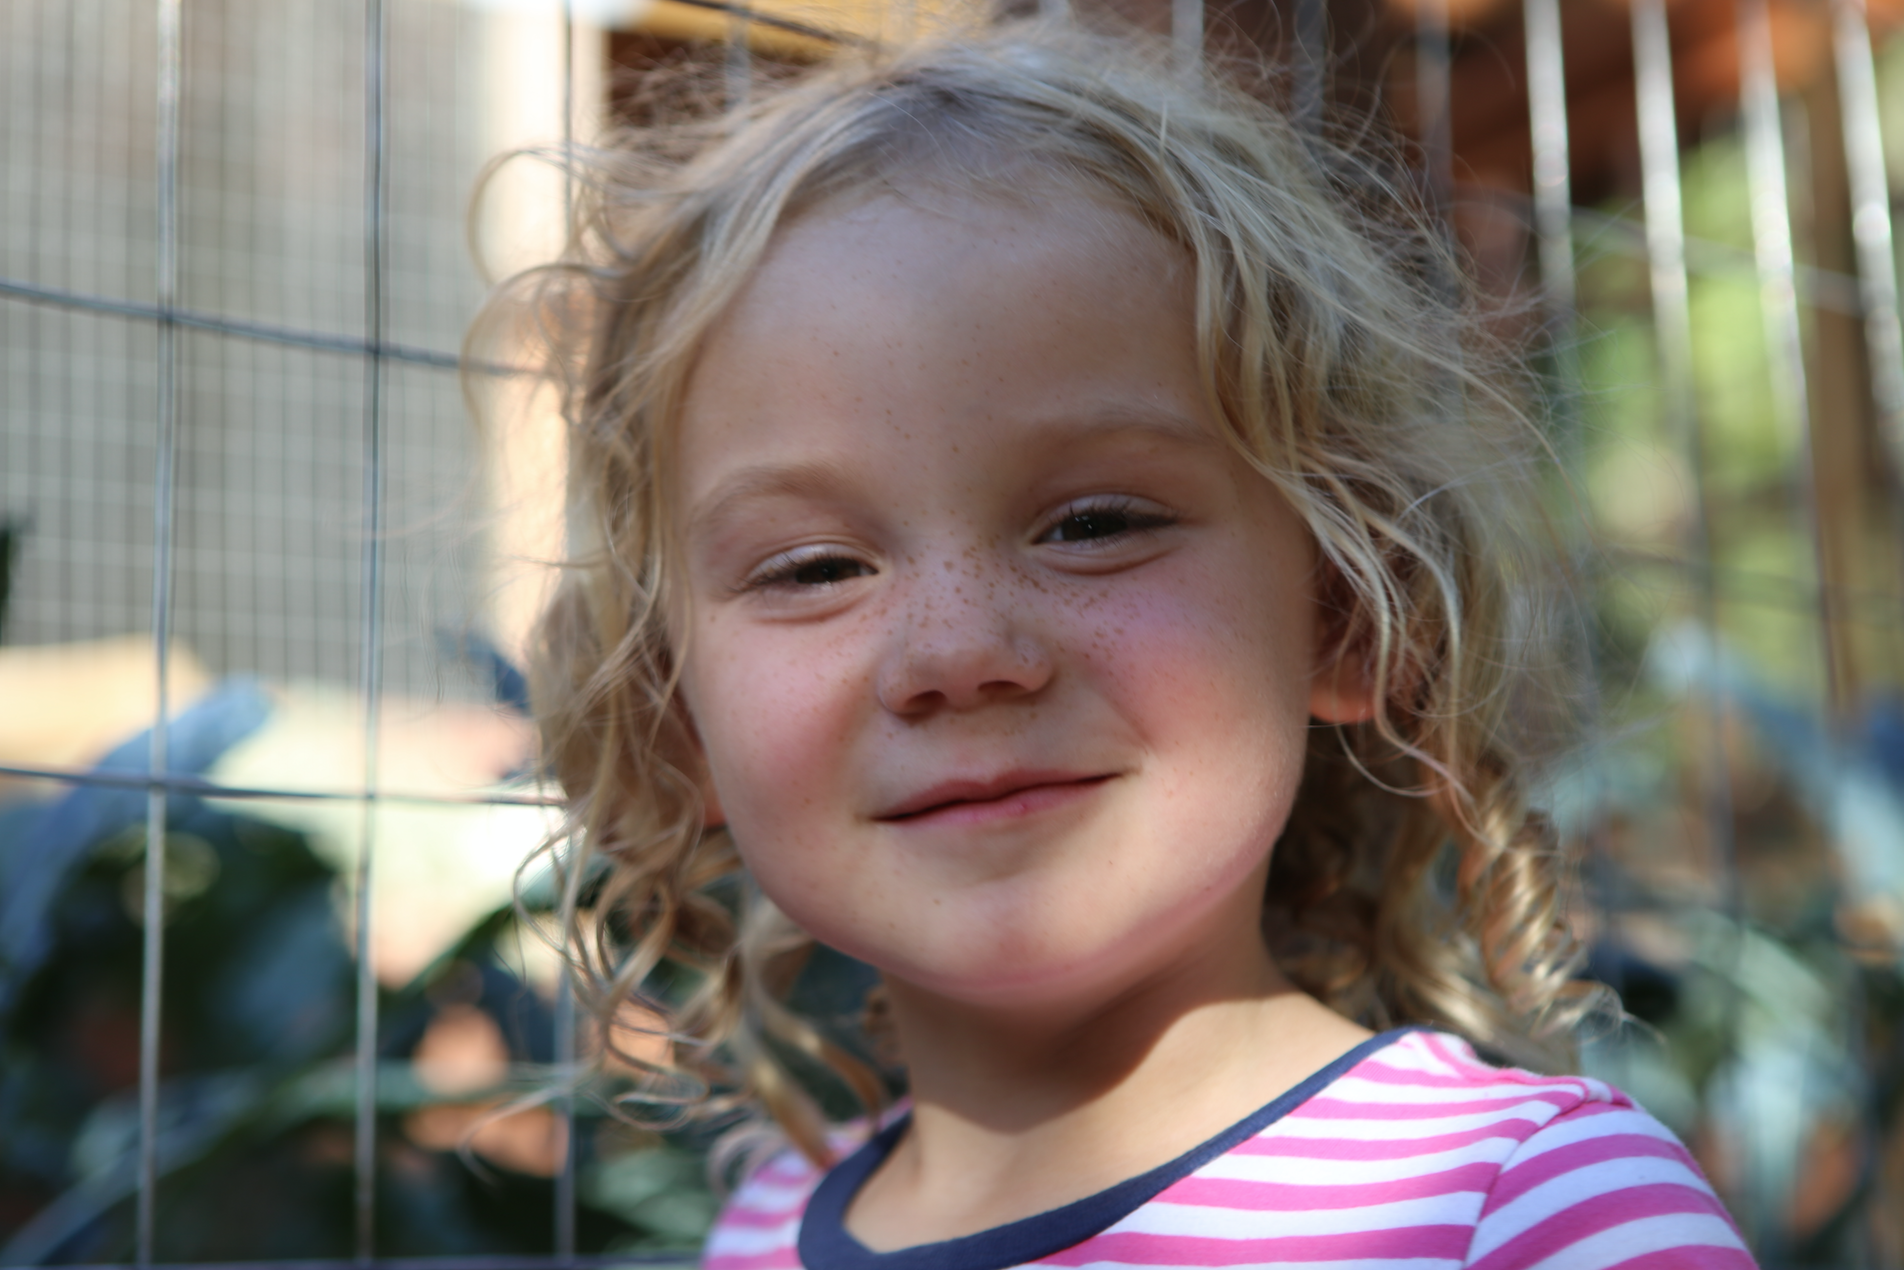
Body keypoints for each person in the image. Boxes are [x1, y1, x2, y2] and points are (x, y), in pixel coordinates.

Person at [499, 20, 1754, 1268]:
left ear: (1345, 614)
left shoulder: (1527, 1209)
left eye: (1093, 524)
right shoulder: (759, 1232)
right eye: (813, 568)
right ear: (677, 714)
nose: (956, 650)